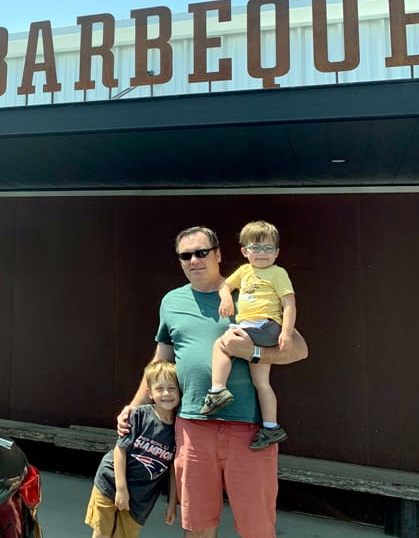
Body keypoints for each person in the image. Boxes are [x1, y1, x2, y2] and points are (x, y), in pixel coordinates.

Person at [117, 226, 308, 538]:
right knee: (197, 526)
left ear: (219, 255)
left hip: (249, 431)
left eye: (202, 252)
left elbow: (300, 350)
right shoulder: (171, 301)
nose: (194, 260)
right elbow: (160, 362)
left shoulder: (249, 289)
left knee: (257, 528)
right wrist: (134, 406)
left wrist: (254, 351)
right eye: (186, 255)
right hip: (193, 428)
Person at [200, 220, 297, 449]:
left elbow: (289, 302)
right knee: (261, 382)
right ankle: (272, 427)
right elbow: (225, 286)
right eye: (256, 248)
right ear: (245, 251)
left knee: (222, 343)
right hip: (254, 330)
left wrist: (287, 333)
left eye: (268, 249)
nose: (262, 254)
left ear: (277, 252)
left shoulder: (277, 272)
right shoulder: (244, 271)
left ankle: (217, 390)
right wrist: (225, 298)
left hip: (266, 326)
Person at [84, 359, 179, 538]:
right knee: (102, 533)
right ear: (150, 393)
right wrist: (121, 489)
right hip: (111, 482)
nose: (166, 393)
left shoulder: (179, 430)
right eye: (160, 388)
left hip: (140, 498)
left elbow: (174, 467)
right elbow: (120, 450)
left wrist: (172, 502)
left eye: (172, 388)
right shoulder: (140, 415)